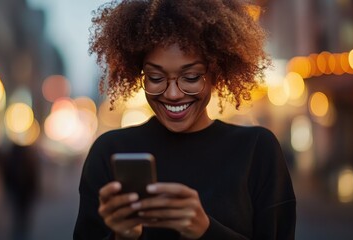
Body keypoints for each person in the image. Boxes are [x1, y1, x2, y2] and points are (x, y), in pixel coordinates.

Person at [74, 0, 296, 239]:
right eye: (155, 77)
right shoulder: (109, 152)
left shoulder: (257, 150)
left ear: (216, 75)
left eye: (190, 77)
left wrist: (205, 229)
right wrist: (122, 236)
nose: (172, 93)